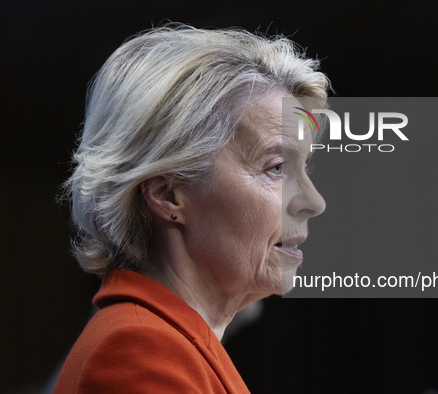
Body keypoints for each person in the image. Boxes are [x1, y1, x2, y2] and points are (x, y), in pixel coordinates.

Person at [54, 24, 328, 393]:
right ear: (168, 196)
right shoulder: (139, 352)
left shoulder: (174, 345)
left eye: (304, 168)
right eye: (276, 168)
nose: (314, 202)